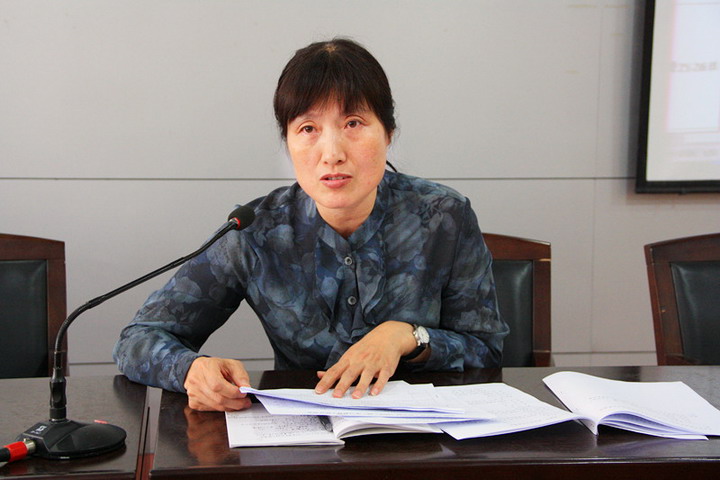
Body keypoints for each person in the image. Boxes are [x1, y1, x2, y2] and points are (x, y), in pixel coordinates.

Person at [113, 38, 508, 412]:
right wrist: (190, 370)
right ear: (288, 142)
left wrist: (407, 336)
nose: (332, 153)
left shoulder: (444, 216)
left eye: (353, 123)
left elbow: (487, 351)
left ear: (388, 133)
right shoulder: (255, 231)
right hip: (303, 437)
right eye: (308, 129)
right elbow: (138, 339)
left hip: (425, 437)